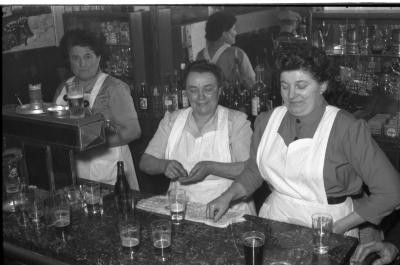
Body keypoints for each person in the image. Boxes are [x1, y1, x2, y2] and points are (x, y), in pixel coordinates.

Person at [206, 43, 400, 240]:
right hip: (276, 220)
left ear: (322, 85)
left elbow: (390, 192)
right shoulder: (267, 121)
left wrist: (337, 228)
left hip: (329, 227)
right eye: (285, 86)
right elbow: (253, 171)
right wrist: (227, 196)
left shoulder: (346, 128)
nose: (291, 95)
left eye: (301, 86)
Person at [139, 61, 255, 215]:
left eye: (208, 89)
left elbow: (250, 169)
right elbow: (145, 162)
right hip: (180, 208)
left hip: (229, 209)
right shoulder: (172, 120)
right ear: (186, 93)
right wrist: (164, 165)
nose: (201, 97)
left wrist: (210, 167)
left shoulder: (236, 121)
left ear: (219, 90)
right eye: (193, 90)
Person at [53, 29, 141, 190]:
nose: (82, 63)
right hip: (73, 168)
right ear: (69, 60)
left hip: (110, 170)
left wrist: (96, 145)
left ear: (98, 57)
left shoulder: (114, 88)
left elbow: (133, 131)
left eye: (88, 56)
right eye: (75, 58)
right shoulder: (63, 89)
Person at [196, 11, 255, 90]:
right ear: (224, 33)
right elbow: (252, 83)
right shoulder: (237, 54)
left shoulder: (200, 56)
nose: (236, 33)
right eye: (234, 29)